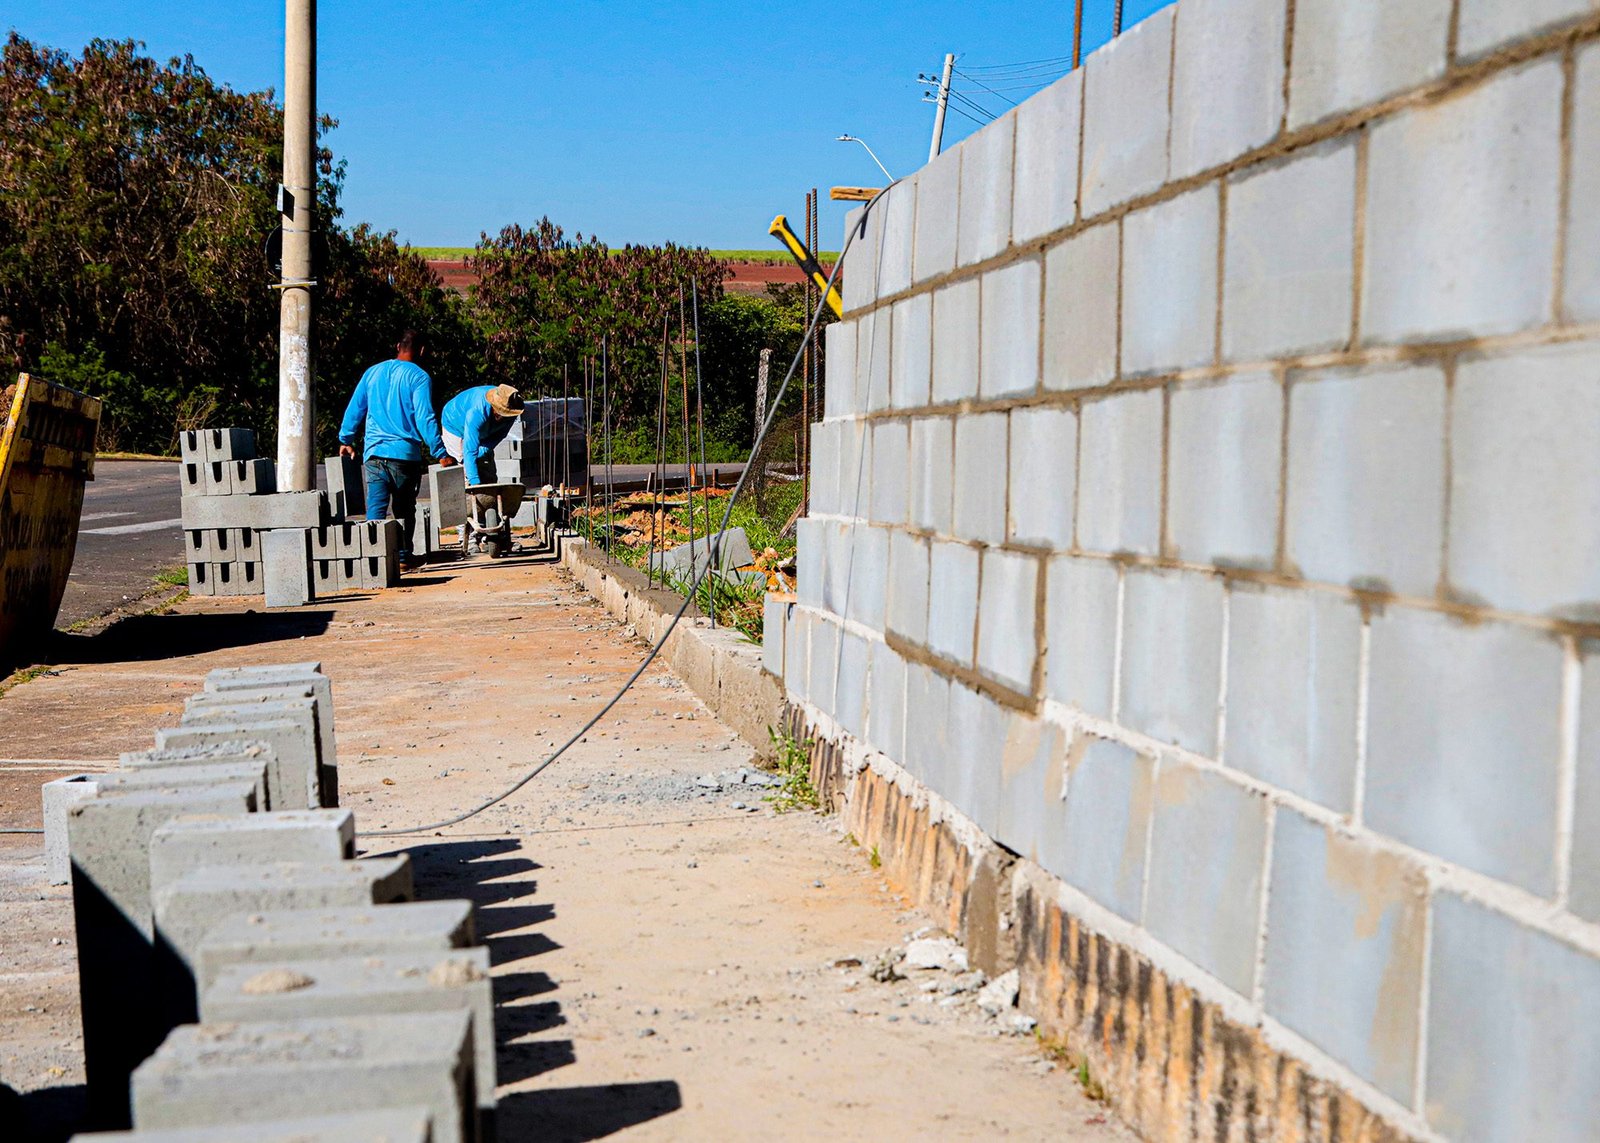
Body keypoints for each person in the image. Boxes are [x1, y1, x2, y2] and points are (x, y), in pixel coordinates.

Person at [337, 329, 455, 572]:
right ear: (421, 350)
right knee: (403, 509)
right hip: (404, 455)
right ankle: (402, 557)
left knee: (376, 508)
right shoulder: (419, 377)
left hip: (374, 454)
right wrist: (440, 452)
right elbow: (425, 417)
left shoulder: (372, 372)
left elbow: (355, 407)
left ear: (396, 346)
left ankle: (374, 561)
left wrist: (346, 438)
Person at [441, 383, 525, 487]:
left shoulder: (512, 409)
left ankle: (489, 498)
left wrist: (484, 449)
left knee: (487, 468)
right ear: (494, 406)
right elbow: (469, 450)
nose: (503, 416)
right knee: (465, 467)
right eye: (500, 412)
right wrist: (475, 483)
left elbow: (500, 435)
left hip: (483, 430)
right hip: (455, 424)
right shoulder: (477, 412)